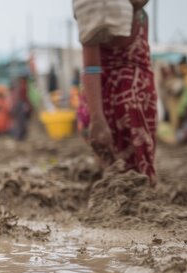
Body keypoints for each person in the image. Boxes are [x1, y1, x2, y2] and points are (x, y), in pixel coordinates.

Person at [74, 0, 157, 183]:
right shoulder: (97, 9)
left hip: (139, 83)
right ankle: (112, 182)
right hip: (103, 89)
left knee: (136, 120)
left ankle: (140, 185)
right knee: (122, 112)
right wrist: (97, 119)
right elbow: (92, 68)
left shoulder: (141, 16)